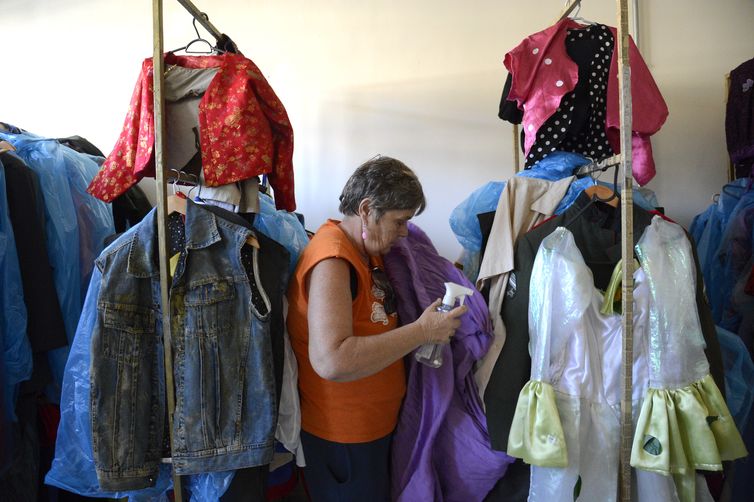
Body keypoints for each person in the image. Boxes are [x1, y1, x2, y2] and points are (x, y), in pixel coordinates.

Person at [287, 155, 467, 501]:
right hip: (345, 437)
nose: (404, 233)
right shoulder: (332, 260)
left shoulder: (364, 252)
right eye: (400, 221)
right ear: (368, 209)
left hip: (371, 430)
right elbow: (332, 360)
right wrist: (422, 332)